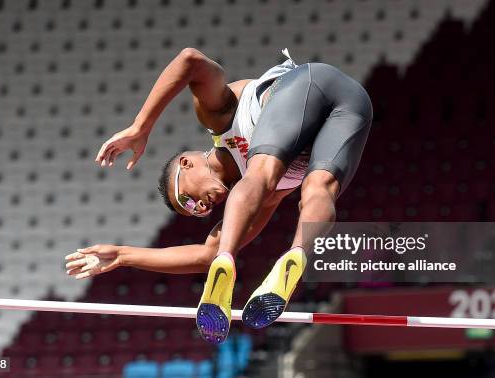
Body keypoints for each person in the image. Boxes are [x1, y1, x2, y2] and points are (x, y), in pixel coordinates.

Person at [65, 47, 372, 344]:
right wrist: (122, 255)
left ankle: (231, 259)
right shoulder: (260, 200)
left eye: (187, 199)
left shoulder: (218, 118)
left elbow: (190, 60)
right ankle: (298, 255)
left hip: (307, 82)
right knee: (319, 189)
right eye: (195, 212)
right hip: (354, 103)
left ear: (186, 163)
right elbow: (206, 253)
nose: (200, 207)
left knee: (260, 174)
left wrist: (141, 127)